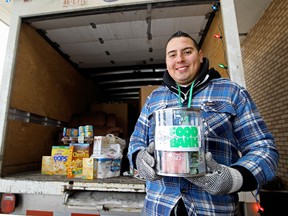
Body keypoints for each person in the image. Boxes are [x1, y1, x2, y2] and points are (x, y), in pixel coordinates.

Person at [127, 31, 279, 216]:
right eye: (172, 55)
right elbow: (136, 142)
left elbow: (263, 148)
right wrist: (139, 159)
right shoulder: (154, 99)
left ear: (200, 55)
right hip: (158, 208)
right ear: (167, 62)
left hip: (212, 209)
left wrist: (234, 178)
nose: (180, 59)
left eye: (187, 52)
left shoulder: (231, 92)